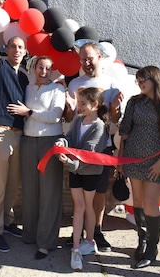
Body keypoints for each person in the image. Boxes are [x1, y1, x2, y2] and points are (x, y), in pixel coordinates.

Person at [117, 65, 160, 269]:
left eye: (142, 79)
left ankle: (152, 248)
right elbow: (125, 131)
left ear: (155, 79)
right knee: (137, 200)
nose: (139, 83)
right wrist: (121, 160)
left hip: (157, 162)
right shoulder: (134, 102)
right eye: (137, 80)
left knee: (150, 203)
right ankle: (142, 240)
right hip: (133, 160)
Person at [64, 40, 123, 252]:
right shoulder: (73, 84)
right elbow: (69, 117)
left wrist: (115, 109)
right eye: (83, 59)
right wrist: (69, 109)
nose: (87, 62)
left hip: (103, 147)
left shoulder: (111, 84)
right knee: (78, 194)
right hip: (79, 148)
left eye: (90, 58)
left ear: (99, 57)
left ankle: (96, 231)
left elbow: (115, 118)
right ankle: (78, 232)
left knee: (99, 193)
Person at [8, 56, 65, 260]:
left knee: (49, 192)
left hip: (50, 142)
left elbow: (56, 115)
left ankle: (46, 242)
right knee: (30, 191)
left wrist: (29, 112)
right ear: (34, 68)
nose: (44, 71)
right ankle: (30, 234)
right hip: (28, 141)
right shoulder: (29, 88)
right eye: (41, 67)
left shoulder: (58, 89)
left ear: (51, 71)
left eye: (48, 68)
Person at [0, 0, 30, 252]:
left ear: (25, 53)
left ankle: (9, 221)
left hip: (19, 134)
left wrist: (28, 111)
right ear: (7, 49)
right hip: (0, 131)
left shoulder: (25, 79)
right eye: (12, 47)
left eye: (20, 48)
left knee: (14, 184)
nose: (16, 51)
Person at [55, 88, 109, 270]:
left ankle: (89, 240)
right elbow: (69, 138)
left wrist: (71, 163)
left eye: (82, 104)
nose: (79, 107)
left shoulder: (100, 126)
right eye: (78, 104)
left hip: (90, 173)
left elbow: (90, 154)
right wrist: (62, 143)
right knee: (79, 207)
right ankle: (76, 247)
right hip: (75, 171)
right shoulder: (78, 120)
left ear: (95, 105)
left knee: (88, 206)